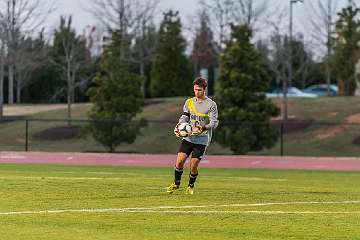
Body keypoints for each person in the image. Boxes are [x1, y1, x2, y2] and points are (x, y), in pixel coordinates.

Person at [167, 77, 219, 195]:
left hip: (202, 138)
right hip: (189, 137)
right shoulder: (189, 102)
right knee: (179, 161)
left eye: (199, 90)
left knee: (193, 164)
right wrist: (180, 124)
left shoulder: (211, 104)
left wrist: (203, 128)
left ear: (204, 90)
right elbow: (185, 115)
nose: (197, 92)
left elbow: (214, 122)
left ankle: (190, 186)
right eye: (195, 90)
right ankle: (176, 183)